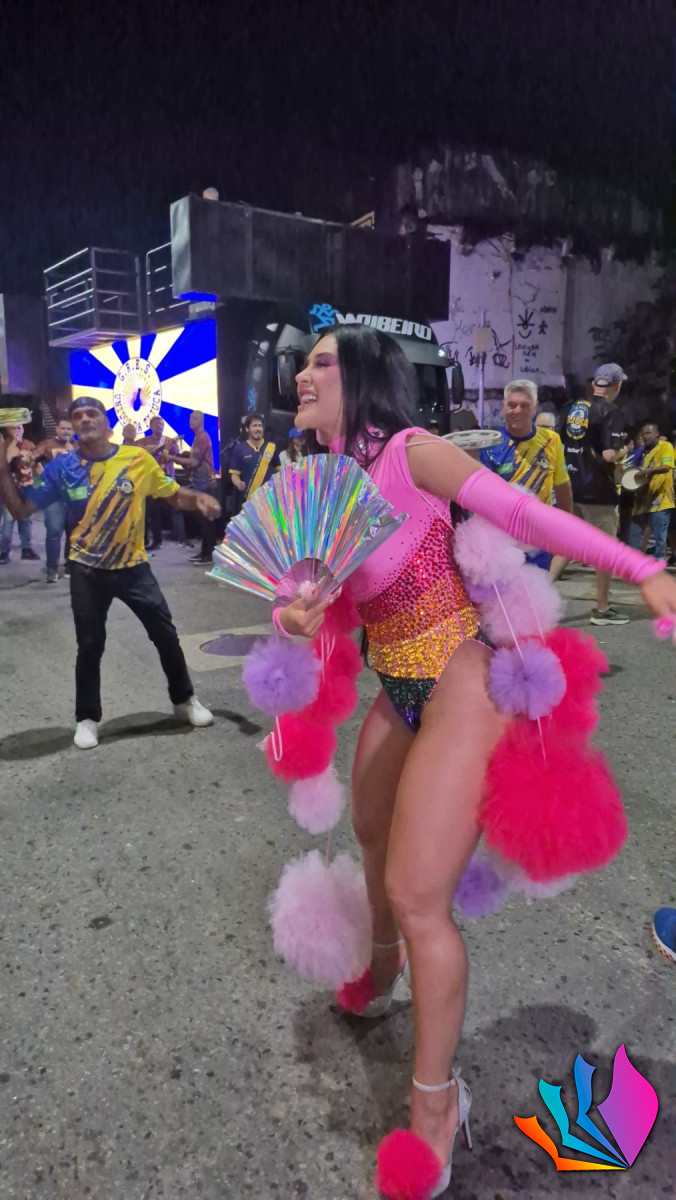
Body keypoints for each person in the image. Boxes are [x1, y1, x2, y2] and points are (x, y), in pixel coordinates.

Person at [273, 325, 676, 1200]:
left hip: (462, 681)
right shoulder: (326, 485)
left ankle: (436, 1106)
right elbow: (310, 600)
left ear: (364, 378)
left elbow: (522, 514)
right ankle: (382, 968)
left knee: (418, 895)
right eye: (303, 363)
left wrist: (639, 564)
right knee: (370, 830)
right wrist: (293, 616)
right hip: (397, 685)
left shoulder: (410, 453)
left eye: (322, 362)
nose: (302, 373)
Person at [0, 396, 220, 750]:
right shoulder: (62, 468)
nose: (85, 419)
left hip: (134, 568)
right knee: (89, 645)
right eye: (77, 415)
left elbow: (173, 494)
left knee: (165, 635)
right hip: (86, 570)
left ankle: (184, 700)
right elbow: (20, 508)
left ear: (106, 422)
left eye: (92, 413)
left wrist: (196, 499)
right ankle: (87, 718)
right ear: (73, 425)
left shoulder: (136, 459)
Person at [553, 363, 629, 625]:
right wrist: (624, 451)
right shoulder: (611, 411)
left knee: (566, 545)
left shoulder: (572, 407)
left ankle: (535, 595)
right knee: (604, 549)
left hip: (569, 485)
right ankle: (602, 609)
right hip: (598, 491)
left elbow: (558, 441)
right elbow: (609, 455)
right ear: (617, 386)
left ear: (595, 383)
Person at [480, 380, 572, 570]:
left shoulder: (552, 441)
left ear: (535, 407)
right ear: (503, 407)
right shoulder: (490, 444)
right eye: (512, 405)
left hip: (538, 537)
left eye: (525, 405)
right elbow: (482, 497)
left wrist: (566, 525)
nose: (518, 410)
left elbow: (562, 485)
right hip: (502, 539)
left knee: (537, 586)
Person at [170, 411, 217, 565]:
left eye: (195, 418)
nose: (191, 420)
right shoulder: (198, 437)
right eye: (190, 418)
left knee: (206, 520)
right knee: (203, 520)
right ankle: (205, 551)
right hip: (200, 481)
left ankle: (208, 555)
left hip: (204, 482)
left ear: (201, 421)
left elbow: (195, 462)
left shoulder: (202, 437)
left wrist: (172, 458)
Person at [140, 416, 192, 549]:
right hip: (153, 481)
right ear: (151, 426)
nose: (160, 426)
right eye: (157, 424)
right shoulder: (144, 441)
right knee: (153, 511)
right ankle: (156, 541)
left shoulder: (169, 441)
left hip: (168, 478)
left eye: (161, 424)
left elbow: (176, 456)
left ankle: (181, 537)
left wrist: (168, 451)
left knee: (176, 508)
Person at [35, 416, 75, 582]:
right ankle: (52, 568)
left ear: (73, 431)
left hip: (74, 496)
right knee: (53, 533)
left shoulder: (78, 447)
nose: (65, 431)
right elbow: (29, 459)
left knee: (74, 534)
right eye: (63, 428)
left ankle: (70, 566)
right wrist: (38, 475)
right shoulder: (46, 444)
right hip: (54, 497)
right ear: (57, 429)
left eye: (69, 429)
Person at [629, 423, 675, 561]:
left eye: (648, 433)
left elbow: (667, 467)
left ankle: (659, 563)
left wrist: (647, 472)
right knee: (635, 533)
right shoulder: (641, 451)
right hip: (642, 499)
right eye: (643, 434)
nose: (645, 436)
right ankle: (635, 561)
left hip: (660, 498)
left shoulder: (665, 446)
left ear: (656, 434)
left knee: (660, 535)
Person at [0, 422, 39, 565]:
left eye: (19, 427)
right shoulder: (4, 445)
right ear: (7, 430)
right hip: (10, 489)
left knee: (26, 520)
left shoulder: (28, 444)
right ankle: (4, 551)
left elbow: (34, 465)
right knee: (8, 521)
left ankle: (26, 549)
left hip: (27, 488)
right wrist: (11, 449)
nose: (17, 431)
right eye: (13, 428)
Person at [228, 413, 279, 511]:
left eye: (260, 426)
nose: (258, 428)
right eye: (254, 426)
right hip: (247, 502)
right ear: (247, 429)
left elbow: (278, 471)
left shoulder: (271, 447)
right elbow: (234, 474)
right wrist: (238, 483)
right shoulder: (239, 449)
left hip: (268, 502)